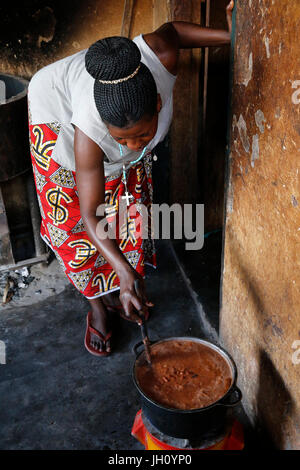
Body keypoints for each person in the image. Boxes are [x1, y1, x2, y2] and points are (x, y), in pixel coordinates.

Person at [27, 1, 234, 357]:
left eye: (142, 135)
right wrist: (123, 271)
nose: (134, 145)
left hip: (107, 101)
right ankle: (97, 305)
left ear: (157, 102)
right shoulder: (88, 134)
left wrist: (232, 36)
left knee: (127, 212)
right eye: (121, 139)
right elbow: (90, 213)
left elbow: (176, 32)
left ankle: (123, 285)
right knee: (73, 226)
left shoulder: (162, 58)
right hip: (54, 112)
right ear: (105, 129)